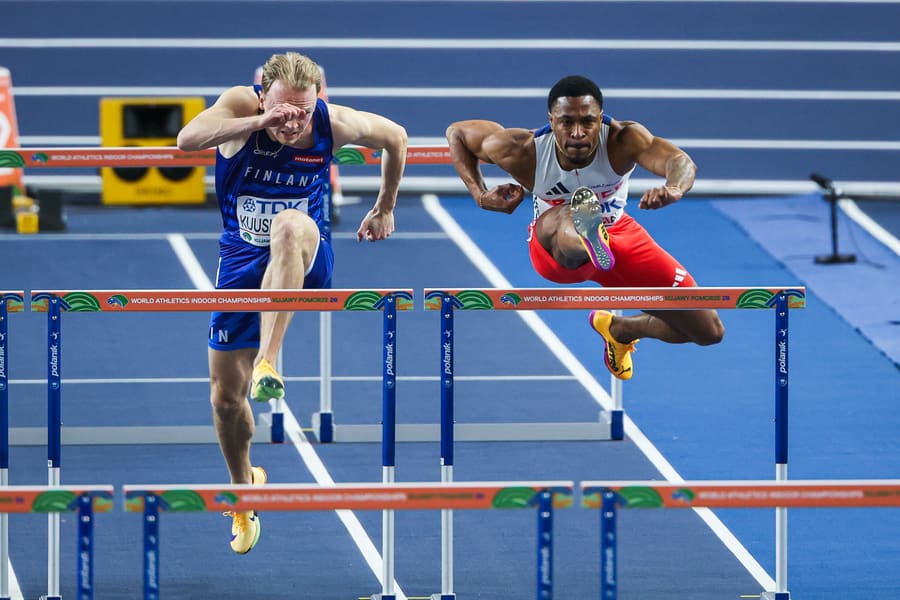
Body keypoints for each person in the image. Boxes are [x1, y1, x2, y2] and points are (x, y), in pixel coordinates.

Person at [177, 51, 407, 554]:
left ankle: (268, 359)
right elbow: (185, 141)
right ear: (264, 95)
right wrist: (261, 121)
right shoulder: (243, 105)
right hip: (240, 257)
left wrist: (384, 206)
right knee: (224, 399)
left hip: (307, 252)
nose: (293, 121)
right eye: (284, 110)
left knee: (288, 226)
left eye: (302, 111)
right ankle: (244, 490)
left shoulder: (331, 121)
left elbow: (396, 137)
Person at [445, 74, 724, 382]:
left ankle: (620, 328)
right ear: (551, 120)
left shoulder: (623, 139)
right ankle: (587, 236)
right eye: (566, 123)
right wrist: (480, 195)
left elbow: (679, 161)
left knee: (708, 330)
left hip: (621, 237)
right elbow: (456, 132)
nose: (577, 133)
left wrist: (674, 188)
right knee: (567, 216)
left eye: (587, 122)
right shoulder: (522, 150)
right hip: (555, 247)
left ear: (600, 119)